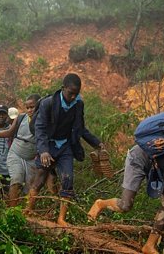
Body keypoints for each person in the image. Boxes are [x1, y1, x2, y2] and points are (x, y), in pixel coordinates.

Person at [26, 73, 105, 226]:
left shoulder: (78, 104)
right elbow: (40, 127)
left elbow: (80, 128)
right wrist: (43, 151)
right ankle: (29, 209)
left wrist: (97, 143)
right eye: (70, 93)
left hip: (65, 147)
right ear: (63, 88)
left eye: (76, 93)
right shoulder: (48, 103)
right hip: (48, 145)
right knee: (40, 178)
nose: (73, 96)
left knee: (68, 180)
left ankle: (61, 219)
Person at [0, 94, 57, 207]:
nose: (30, 110)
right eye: (27, 107)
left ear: (39, 106)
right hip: (16, 154)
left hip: (31, 159)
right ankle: (12, 211)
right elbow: (9, 132)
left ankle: (24, 212)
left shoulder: (45, 120)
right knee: (16, 180)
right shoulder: (21, 118)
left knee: (29, 187)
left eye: (32, 107)